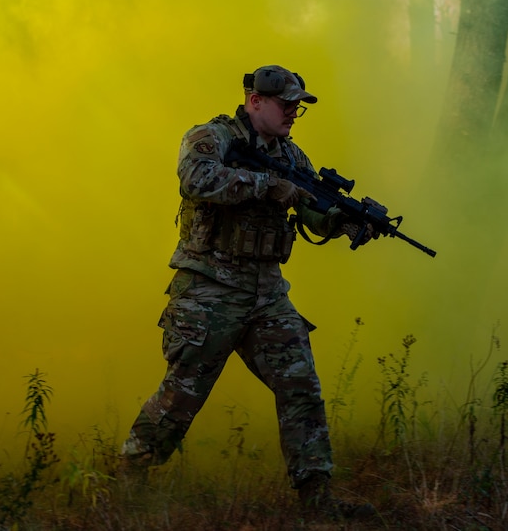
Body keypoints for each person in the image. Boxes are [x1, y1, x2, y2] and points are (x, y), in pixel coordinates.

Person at [119, 65, 375, 519]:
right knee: (182, 396)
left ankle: (317, 500)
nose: (294, 113)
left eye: (299, 106)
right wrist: (266, 185)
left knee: (301, 387)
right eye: (286, 104)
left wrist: (342, 221)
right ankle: (128, 479)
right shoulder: (211, 137)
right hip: (210, 290)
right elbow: (196, 180)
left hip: (267, 296)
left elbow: (310, 210)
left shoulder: (294, 157)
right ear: (255, 101)